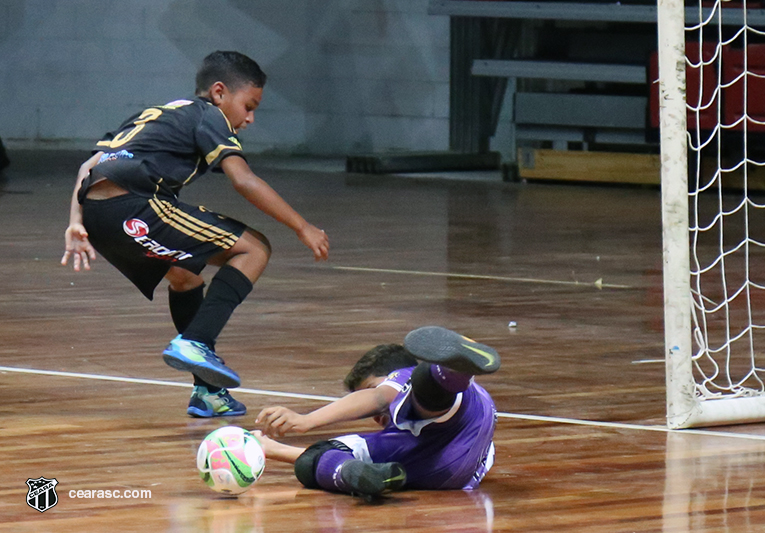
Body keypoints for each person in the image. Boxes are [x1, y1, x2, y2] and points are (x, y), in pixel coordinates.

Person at [61, 51, 329, 418]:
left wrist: (74, 221)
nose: (249, 119)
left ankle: (208, 393)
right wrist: (303, 226)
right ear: (219, 92)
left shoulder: (156, 113)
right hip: (136, 204)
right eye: (248, 106)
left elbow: (89, 164)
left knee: (185, 276)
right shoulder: (209, 115)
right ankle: (197, 341)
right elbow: (244, 180)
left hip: (97, 215)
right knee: (254, 249)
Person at [253, 326, 500, 499]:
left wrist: (304, 420)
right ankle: (362, 476)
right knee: (313, 459)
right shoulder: (398, 439)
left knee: (419, 390)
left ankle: (449, 371)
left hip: (459, 417)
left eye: (368, 386)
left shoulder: (402, 375)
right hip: (446, 470)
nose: (371, 416)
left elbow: (379, 397)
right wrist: (271, 449)